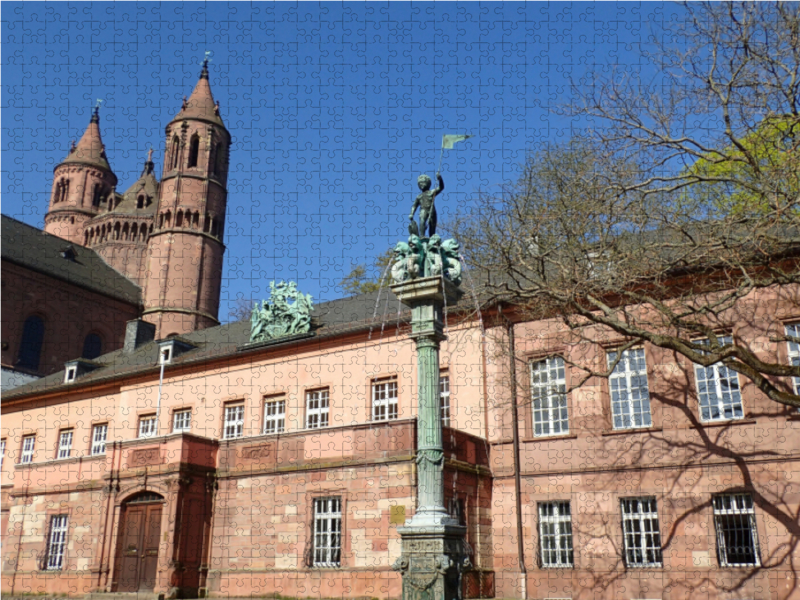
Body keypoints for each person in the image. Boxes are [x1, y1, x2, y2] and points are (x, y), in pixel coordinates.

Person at [409, 172, 444, 238]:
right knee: (422, 221)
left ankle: (432, 238)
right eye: (420, 184)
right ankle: (422, 236)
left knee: (432, 225)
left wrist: (440, 179)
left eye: (423, 183)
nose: (421, 185)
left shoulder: (432, 192)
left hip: (432, 210)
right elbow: (414, 206)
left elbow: (441, 187)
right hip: (423, 210)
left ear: (428, 183)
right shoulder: (419, 196)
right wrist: (411, 213)